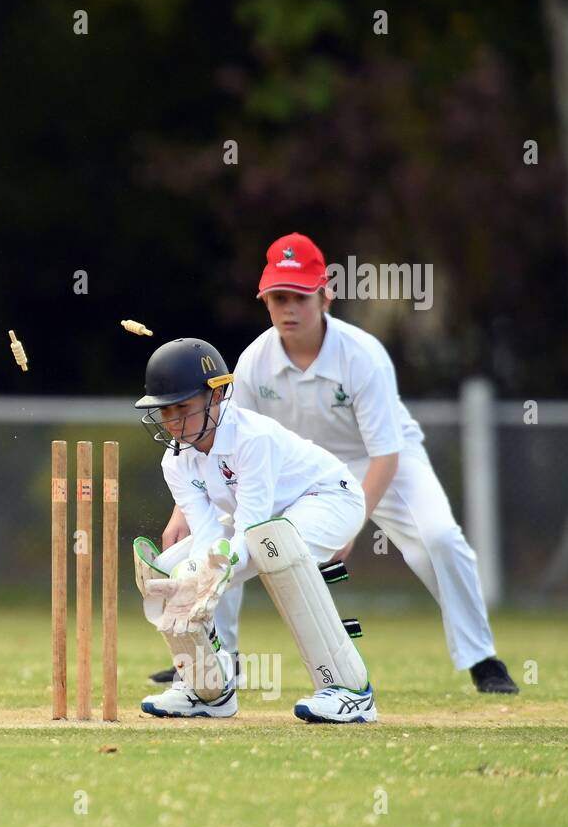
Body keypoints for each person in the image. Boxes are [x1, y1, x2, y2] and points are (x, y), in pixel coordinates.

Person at [149, 233, 517, 695]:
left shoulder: (363, 356)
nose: (289, 309)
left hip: (380, 459)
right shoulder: (254, 362)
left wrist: (351, 524)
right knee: (223, 540)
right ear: (264, 301)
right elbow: (217, 440)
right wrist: (183, 510)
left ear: (326, 295)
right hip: (296, 467)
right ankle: (219, 660)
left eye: (300, 297)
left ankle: (481, 658)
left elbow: (385, 452)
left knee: (439, 538)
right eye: (278, 297)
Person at [133, 337, 378, 723]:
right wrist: (195, 574)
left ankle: (350, 689)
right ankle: (207, 690)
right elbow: (210, 533)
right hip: (268, 521)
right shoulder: (175, 462)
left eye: (184, 407)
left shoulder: (253, 438)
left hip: (330, 498)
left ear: (217, 396)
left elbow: (251, 525)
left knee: (273, 545)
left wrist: (217, 568)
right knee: (170, 570)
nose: (174, 422)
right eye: (166, 411)